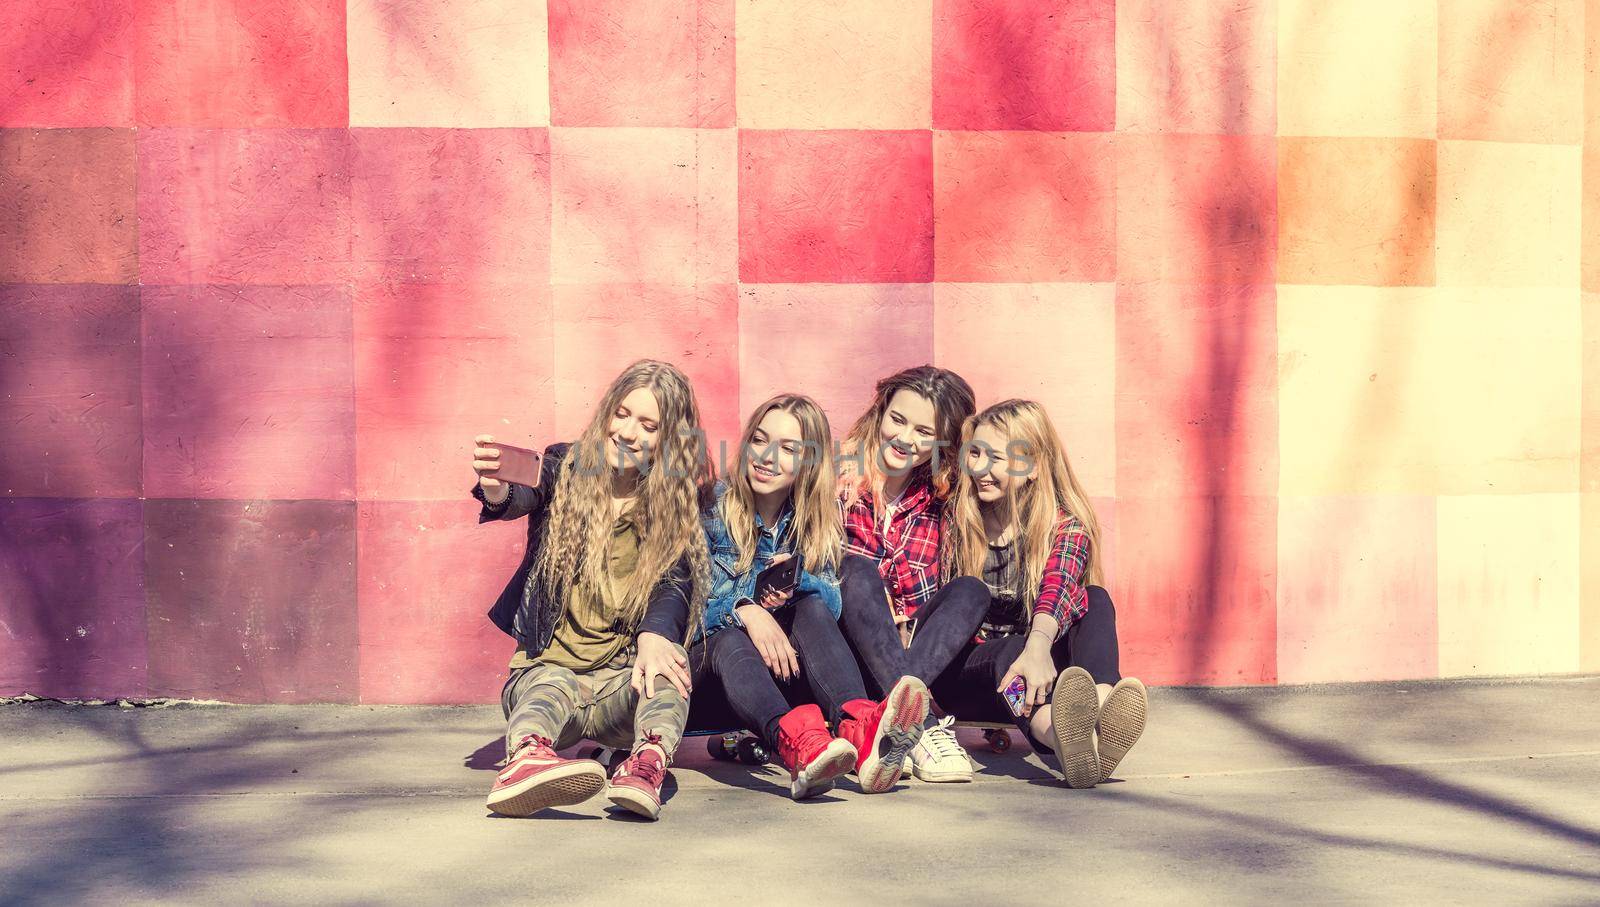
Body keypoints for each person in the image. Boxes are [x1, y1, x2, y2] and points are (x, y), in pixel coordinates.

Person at [471, 360, 711, 820]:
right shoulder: (564, 465)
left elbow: (676, 579)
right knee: (550, 683)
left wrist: (656, 636)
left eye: (648, 425)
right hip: (546, 676)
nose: (627, 432)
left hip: (616, 686)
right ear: (607, 412)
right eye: (622, 414)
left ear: (669, 441)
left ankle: (645, 766)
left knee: (668, 668)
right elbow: (522, 495)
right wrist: (497, 490)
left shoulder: (674, 502)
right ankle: (525, 760)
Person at [689, 394, 930, 798]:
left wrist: (797, 581)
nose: (766, 457)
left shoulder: (809, 520)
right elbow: (687, 607)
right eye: (759, 440)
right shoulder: (710, 506)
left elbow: (833, 603)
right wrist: (746, 609)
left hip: (776, 680)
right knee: (730, 637)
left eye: (787, 449)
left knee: (813, 604)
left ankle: (859, 729)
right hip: (711, 677)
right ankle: (797, 745)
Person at [938, 399, 1147, 788]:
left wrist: (1038, 647)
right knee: (1010, 649)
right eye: (976, 453)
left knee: (1095, 599)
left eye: (995, 457)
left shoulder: (1067, 526)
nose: (980, 468)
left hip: (1040, 669)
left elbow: (1058, 586)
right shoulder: (960, 518)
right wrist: (1030, 650)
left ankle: (1099, 709)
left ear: (1032, 466)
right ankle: (1059, 734)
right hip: (972, 679)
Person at [835, 365, 990, 783]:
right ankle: (919, 731)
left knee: (972, 590)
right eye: (897, 420)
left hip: (918, 650)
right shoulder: (833, 479)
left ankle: (899, 720)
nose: (905, 439)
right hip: (847, 649)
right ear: (880, 411)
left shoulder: (944, 497)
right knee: (853, 570)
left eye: (925, 431)